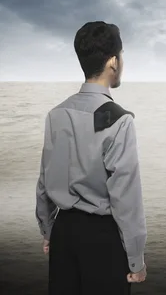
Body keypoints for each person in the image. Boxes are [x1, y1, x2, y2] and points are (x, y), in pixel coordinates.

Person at [35, 21, 148, 295]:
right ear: (112, 62)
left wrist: (49, 231)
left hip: (64, 232)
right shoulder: (119, 120)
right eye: (121, 56)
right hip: (102, 239)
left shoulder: (56, 114)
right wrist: (136, 259)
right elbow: (126, 198)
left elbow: (44, 180)